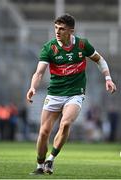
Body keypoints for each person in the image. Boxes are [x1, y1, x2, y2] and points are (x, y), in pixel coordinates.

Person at [26, 14, 116, 175]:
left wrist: (108, 78)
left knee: (66, 123)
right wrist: (33, 87)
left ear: (71, 31)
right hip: (54, 93)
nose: (57, 32)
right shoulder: (49, 47)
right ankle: (40, 165)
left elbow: (100, 60)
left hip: (75, 93)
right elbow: (39, 72)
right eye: (56, 28)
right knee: (44, 131)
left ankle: (51, 159)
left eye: (62, 29)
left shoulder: (82, 44)